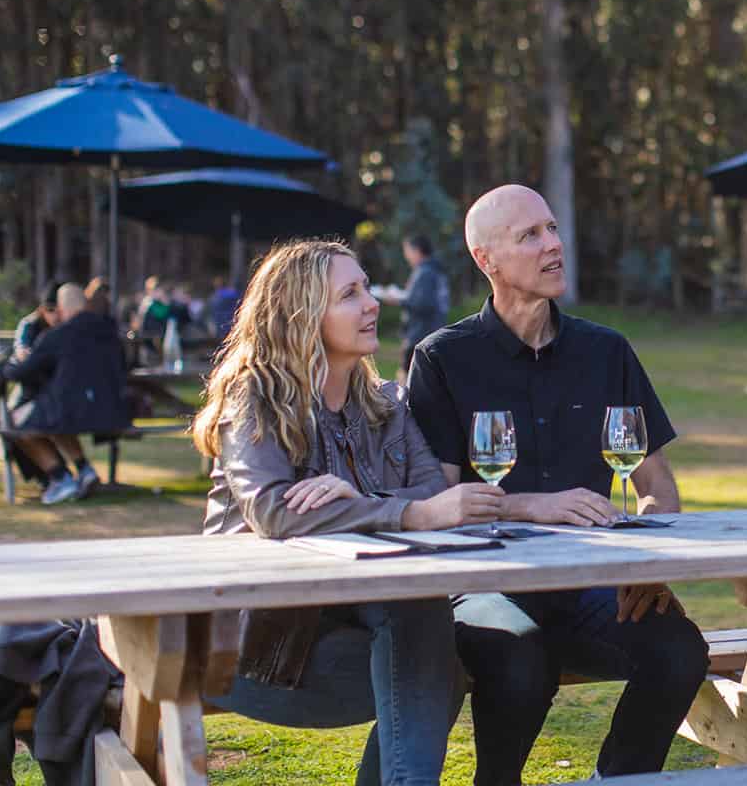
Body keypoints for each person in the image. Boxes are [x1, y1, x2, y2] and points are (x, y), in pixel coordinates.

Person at [406, 185, 708, 785]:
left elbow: (656, 487)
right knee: (522, 658)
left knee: (680, 650)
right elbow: (435, 505)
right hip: (484, 584)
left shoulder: (607, 352)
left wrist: (648, 565)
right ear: (486, 260)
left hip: (590, 584)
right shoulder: (442, 359)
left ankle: (619, 778)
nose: (553, 245)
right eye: (530, 236)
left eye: (552, 229)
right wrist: (531, 505)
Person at [193, 239, 506, 786]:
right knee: (434, 662)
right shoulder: (255, 397)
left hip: (352, 629)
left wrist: (356, 501)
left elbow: (435, 496)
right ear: (303, 314)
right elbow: (272, 511)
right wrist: (402, 514)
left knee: (433, 640)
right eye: (350, 294)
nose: (372, 303)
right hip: (256, 649)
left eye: (366, 288)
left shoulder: (385, 403)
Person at [0, 283, 129, 504]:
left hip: (72, 411)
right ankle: (84, 470)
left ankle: (60, 478)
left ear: (62, 308)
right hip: (113, 413)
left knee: (15, 422)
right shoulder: (112, 332)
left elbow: (21, 371)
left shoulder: (58, 335)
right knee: (54, 416)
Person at [397, 235, 449, 377]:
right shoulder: (436, 270)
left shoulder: (425, 272)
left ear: (417, 251)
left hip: (420, 333)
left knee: (408, 377)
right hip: (433, 330)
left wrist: (400, 300)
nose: (406, 256)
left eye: (407, 251)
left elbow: (423, 305)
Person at [12, 281, 62, 354]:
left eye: (60, 310)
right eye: (50, 309)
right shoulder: (29, 324)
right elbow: (21, 352)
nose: (55, 315)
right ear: (41, 309)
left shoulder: (70, 324)